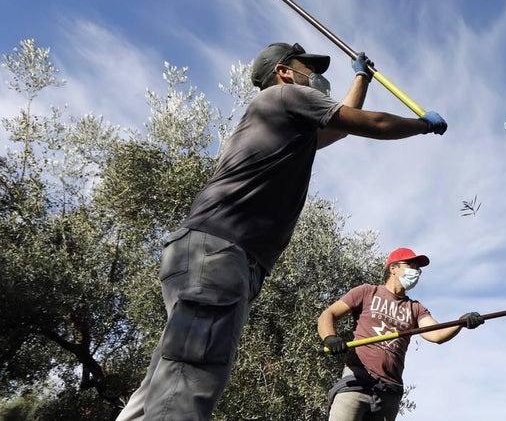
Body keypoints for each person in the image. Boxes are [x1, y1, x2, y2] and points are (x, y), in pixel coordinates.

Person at [117, 42, 449, 421]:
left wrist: (361, 77)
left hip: (207, 253)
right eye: (306, 66)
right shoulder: (284, 97)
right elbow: (368, 124)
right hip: (220, 251)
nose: (315, 74)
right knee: (193, 373)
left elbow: (340, 127)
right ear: (284, 72)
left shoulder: (288, 124)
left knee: (168, 376)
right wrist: (422, 125)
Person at [318, 247, 484, 421]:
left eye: (418, 269)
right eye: (411, 265)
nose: (416, 272)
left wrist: (461, 322)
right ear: (393, 268)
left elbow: (436, 334)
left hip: (390, 392)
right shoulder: (367, 292)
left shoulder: (415, 308)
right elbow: (327, 315)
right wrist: (330, 338)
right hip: (357, 381)